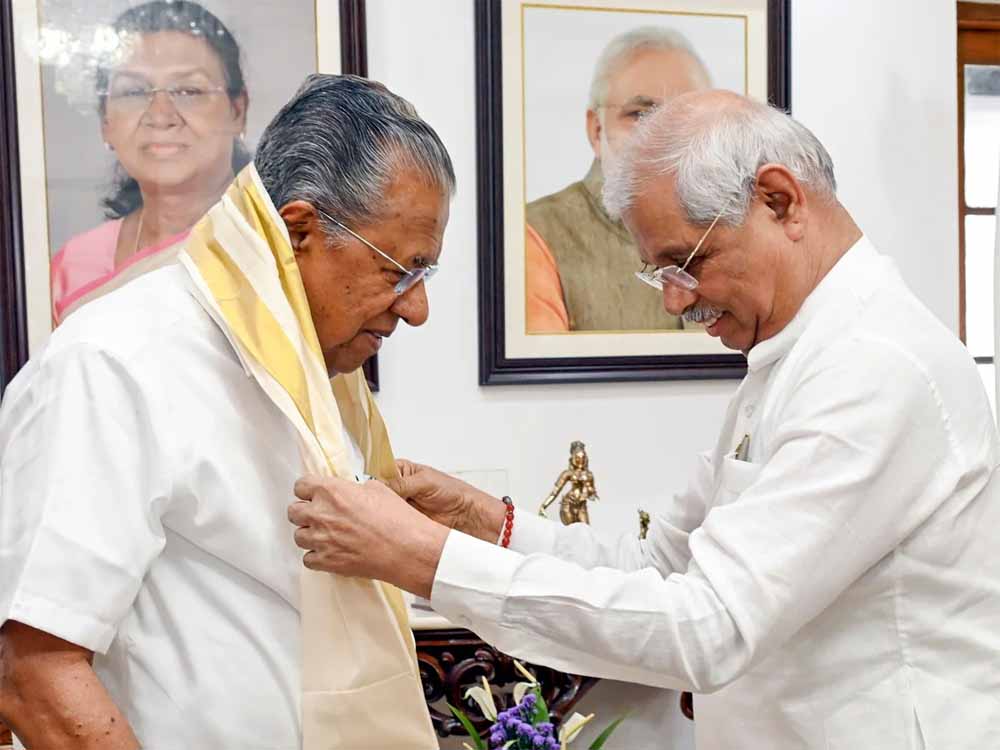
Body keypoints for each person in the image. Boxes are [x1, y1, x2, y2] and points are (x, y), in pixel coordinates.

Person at [289, 91, 1000, 749]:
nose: (675, 302)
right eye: (660, 273)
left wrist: (422, 556)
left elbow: (708, 626)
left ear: (779, 202)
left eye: (684, 263)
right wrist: (484, 525)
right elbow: (657, 565)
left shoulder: (873, 366)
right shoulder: (793, 361)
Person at [0, 74, 454, 749]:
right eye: (401, 271)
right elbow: (33, 672)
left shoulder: (320, 377)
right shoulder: (111, 363)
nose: (417, 309)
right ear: (299, 230)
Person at [49, 0, 250, 326]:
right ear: (105, 122)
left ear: (237, 111)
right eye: (133, 92)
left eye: (188, 90)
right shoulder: (75, 267)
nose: (160, 115)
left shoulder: (277, 244)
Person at [526, 26, 709, 332]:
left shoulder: (734, 230)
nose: (664, 136)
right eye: (639, 114)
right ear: (596, 130)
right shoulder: (534, 234)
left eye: (685, 117)